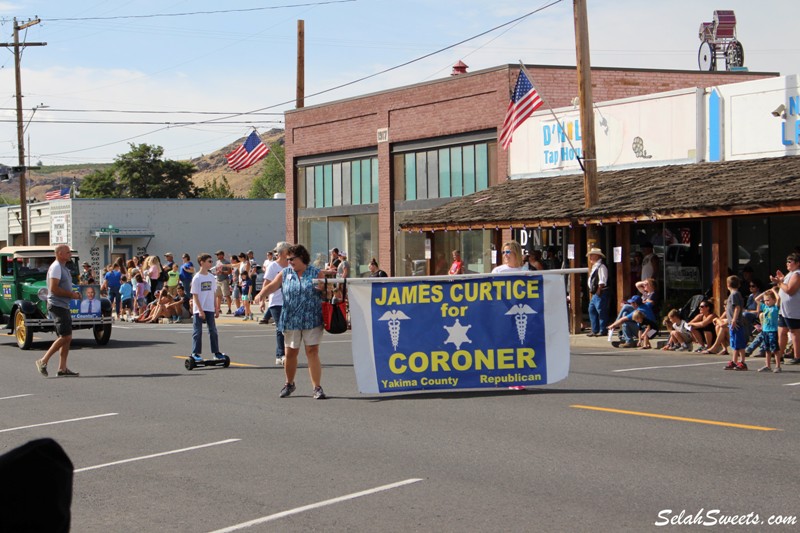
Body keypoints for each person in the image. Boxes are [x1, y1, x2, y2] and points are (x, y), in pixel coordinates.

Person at [254, 244, 327, 400]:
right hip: (291, 319)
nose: (289, 262)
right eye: (287, 259)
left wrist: (324, 288)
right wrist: (261, 295)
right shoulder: (285, 273)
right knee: (290, 353)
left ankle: (317, 387)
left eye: (292, 259)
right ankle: (289, 383)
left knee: (312, 351)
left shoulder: (315, 272)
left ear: (302, 257)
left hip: (311, 318)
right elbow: (272, 286)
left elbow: (326, 290)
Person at [35, 244, 82, 377]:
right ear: (60, 254)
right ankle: (43, 361)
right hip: (57, 305)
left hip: (63, 305)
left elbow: (64, 286)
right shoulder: (56, 267)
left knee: (67, 337)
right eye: (67, 252)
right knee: (65, 336)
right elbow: (54, 289)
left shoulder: (63, 268)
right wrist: (71, 295)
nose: (70, 255)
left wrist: (75, 293)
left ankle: (62, 368)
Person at [256, 241, 290, 364]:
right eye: (288, 251)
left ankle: (288, 353)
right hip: (276, 302)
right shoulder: (273, 266)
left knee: (288, 329)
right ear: (282, 253)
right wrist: (262, 300)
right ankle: (280, 355)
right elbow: (266, 284)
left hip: (289, 302)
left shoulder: (291, 266)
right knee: (281, 327)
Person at [190, 253, 224, 362]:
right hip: (199, 308)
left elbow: (213, 293)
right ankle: (195, 353)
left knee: (213, 330)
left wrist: (216, 308)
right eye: (209, 261)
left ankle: (216, 352)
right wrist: (200, 310)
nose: (211, 263)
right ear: (202, 262)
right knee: (197, 331)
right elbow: (194, 295)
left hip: (209, 308)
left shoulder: (211, 277)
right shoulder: (197, 278)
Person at [772, 251, 800, 365]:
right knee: (782, 331)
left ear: (797, 263)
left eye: (790, 261)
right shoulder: (790, 274)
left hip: (793, 309)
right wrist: (781, 280)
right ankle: (780, 355)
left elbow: (790, 290)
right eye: (787, 261)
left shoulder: (797, 274)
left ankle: (797, 356)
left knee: (794, 332)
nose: (787, 263)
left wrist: (779, 283)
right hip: (784, 309)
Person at [753, 287, 781, 372]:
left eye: (768, 300)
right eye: (765, 300)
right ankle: (767, 365)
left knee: (775, 349)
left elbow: (779, 298)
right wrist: (764, 293)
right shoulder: (765, 307)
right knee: (767, 349)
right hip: (765, 331)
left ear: (773, 300)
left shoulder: (775, 308)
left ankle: (778, 366)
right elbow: (756, 299)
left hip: (772, 331)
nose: (766, 302)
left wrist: (773, 291)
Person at [723, 275, 747, 370]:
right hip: (732, 323)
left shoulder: (734, 295)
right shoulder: (733, 294)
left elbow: (737, 307)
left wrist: (734, 319)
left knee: (739, 343)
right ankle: (734, 361)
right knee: (734, 343)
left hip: (736, 323)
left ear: (728, 284)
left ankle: (742, 362)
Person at [586, 247, 609, 337]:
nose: (590, 257)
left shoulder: (601, 266)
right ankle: (595, 329)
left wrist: (599, 291)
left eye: (592, 255)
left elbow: (602, 281)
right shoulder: (595, 266)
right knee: (592, 310)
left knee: (601, 311)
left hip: (600, 292)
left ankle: (602, 330)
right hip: (596, 293)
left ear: (597, 256)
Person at [239, 252, 253, 321]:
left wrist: (249, 294)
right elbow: (242, 287)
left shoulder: (248, 280)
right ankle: (249, 314)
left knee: (246, 305)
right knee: (244, 305)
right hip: (243, 294)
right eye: (242, 276)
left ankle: (247, 315)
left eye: (243, 276)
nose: (242, 277)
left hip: (247, 294)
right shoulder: (243, 281)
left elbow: (250, 287)